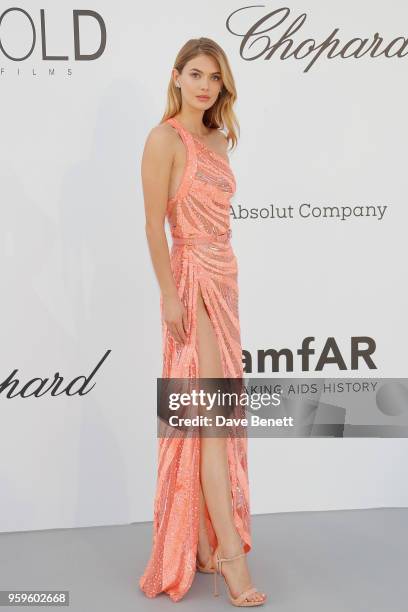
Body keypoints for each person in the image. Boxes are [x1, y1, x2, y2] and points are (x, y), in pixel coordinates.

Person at [139, 37, 267, 607]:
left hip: (226, 280)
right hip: (191, 282)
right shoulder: (165, 139)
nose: (204, 86)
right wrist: (169, 295)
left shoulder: (219, 138)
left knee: (217, 418)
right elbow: (152, 226)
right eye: (195, 74)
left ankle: (204, 543)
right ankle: (232, 566)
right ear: (176, 77)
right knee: (210, 421)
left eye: (214, 78)